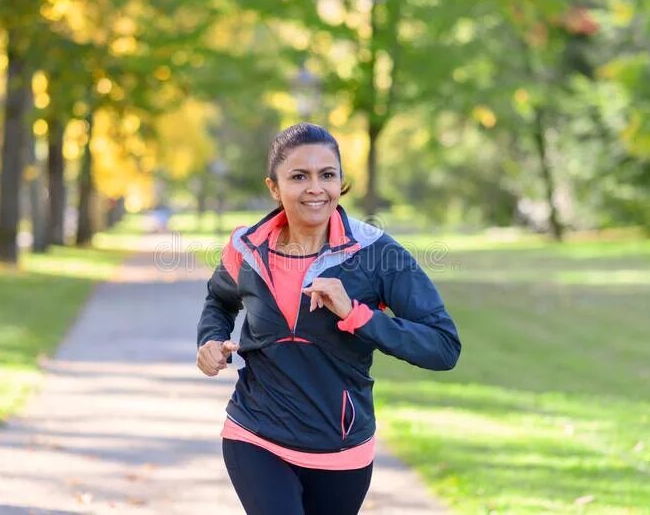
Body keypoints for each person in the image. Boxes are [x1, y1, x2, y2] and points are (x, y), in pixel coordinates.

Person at [196, 122, 461, 515]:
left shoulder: (376, 253)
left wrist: (356, 314)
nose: (315, 188)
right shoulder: (246, 247)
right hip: (255, 434)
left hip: (341, 449)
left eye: (327, 175)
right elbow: (219, 300)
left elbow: (443, 347)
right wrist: (210, 341)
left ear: (341, 182)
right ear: (274, 187)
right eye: (299, 176)